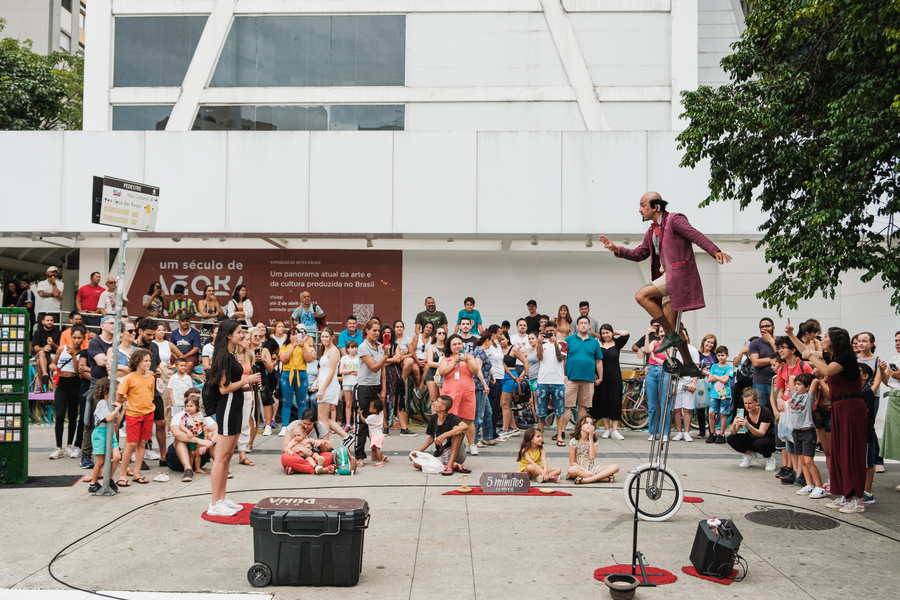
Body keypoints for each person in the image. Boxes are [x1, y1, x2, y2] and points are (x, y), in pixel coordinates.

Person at [599, 193, 732, 377]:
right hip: (668, 279)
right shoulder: (651, 231)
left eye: (642, 205)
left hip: (678, 276)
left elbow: (695, 235)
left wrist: (714, 250)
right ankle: (689, 364)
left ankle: (670, 334)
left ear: (655, 207)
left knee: (641, 296)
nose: (639, 210)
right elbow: (639, 253)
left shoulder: (674, 220)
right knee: (673, 328)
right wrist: (617, 249)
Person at [786, 321, 867, 514]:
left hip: (851, 407)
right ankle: (846, 494)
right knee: (839, 452)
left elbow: (827, 370)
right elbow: (806, 352)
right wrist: (791, 335)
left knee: (851, 451)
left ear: (835, 340)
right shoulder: (833, 356)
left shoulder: (846, 357)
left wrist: (810, 357)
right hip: (839, 407)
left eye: (826, 336)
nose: (822, 338)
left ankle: (858, 500)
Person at [206, 319, 260, 516]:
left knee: (228, 456)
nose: (241, 335)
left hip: (235, 405)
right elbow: (224, 388)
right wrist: (247, 380)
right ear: (228, 335)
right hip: (227, 407)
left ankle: (222, 497)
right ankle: (215, 502)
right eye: (238, 332)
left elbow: (233, 387)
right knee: (221, 457)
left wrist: (248, 385)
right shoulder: (223, 357)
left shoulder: (230, 356)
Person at [773, 336, 813, 482]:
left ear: (793, 350)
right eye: (779, 348)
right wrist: (779, 400)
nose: (780, 351)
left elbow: (810, 389)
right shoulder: (782, 369)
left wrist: (790, 401)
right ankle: (795, 472)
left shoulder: (804, 366)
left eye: (783, 347)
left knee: (799, 443)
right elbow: (780, 390)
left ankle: (803, 474)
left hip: (801, 410)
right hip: (787, 410)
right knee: (789, 442)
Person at [115, 348, 156, 486]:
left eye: (149, 360)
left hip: (148, 413)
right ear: (137, 362)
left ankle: (137, 473)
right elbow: (119, 396)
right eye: (145, 361)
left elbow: (150, 395)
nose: (148, 363)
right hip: (133, 414)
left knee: (142, 443)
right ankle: (122, 474)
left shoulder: (151, 378)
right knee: (131, 443)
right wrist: (129, 402)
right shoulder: (129, 378)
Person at [49, 324, 86, 459]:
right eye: (74, 337)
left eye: (79, 338)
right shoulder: (61, 349)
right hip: (62, 384)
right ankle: (58, 447)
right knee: (59, 414)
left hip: (75, 384)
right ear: (70, 337)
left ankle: (69, 445)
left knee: (72, 415)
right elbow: (54, 363)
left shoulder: (83, 353)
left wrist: (73, 355)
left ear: (83, 338)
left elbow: (77, 372)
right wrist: (52, 365)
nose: (76, 340)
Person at [439, 333, 479, 453]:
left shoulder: (469, 357)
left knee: (468, 419)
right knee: (450, 419)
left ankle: (472, 444)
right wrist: (453, 363)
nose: (457, 346)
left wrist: (466, 361)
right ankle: (449, 444)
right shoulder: (446, 359)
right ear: (450, 346)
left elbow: (475, 371)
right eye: (454, 344)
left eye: (459, 343)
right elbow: (442, 372)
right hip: (450, 394)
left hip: (467, 393)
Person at [789, 373, 827, 499]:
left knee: (808, 461)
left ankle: (819, 487)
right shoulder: (795, 395)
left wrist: (814, 375)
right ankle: (809, 484)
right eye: (796, 384)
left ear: (807, 387)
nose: (796, 386)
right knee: (802, 460)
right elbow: (791, 378)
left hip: (807, 432)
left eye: (799, 384)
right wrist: (798, 380)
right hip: (796, 432)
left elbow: (815, 381)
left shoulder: (809, 396)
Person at [410, 395, 468, 475]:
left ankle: (450, 464)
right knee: (417, 464)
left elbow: (465, 426)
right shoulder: (434, 418)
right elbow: (431, 438)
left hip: (456, 455)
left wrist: (444, 435)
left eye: (437, 401)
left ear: (443, 407)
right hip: (441, 455)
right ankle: (453, 466)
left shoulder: (452, 418)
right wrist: (418, 452)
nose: (434, 403)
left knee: (457, 429)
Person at [311, 327, 352, 441]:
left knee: (323, 417)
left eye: (327, 337)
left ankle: (325, 442)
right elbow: (323, 370)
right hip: (324, 385)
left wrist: (322, 389)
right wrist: (316, 382)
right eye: (322, 337)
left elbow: (332, 372)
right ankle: (345, 437)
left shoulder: (333, 350)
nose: (324, 339)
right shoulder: (325, 350)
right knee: (322, 417)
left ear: (332, 337)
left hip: (329, 386)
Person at [355, 320, 387, 462]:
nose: (377, 333)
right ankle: (359, 455)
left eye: (378, 330)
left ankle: (375, 452)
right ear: (366, 331)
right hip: (364, 387)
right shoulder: (363, 347)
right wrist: (386, 356)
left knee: (376, 423)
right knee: (362, 423)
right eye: (374, 330)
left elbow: (383, 369)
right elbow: (374, 367)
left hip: (376, 386)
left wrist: (384, 389)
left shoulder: (380, 346)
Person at [167, 391, 215, 480]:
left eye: (197, 399)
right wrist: (199, 441)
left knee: (211, 434)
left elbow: (216, 430)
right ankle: (188, 469)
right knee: (180, 439)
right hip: (177, 457)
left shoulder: (202, 416)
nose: (196, 400)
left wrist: (208, 441)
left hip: (199, 453)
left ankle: (219, 465)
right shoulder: (180, 416)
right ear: (185, 400)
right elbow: (177, 433)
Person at [593, 324, 630, 439]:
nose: (605, 335)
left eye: (607, 333)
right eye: (603, 333)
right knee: (603, 401)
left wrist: (614, 333)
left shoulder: (617, 343)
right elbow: (594, 360)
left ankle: (615, 430)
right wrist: (595, 374)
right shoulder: (597, 344)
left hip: (615, 377)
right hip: (601, 377)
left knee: (615, 402)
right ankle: (606, 429)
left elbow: (626, 333)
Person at [564, 315, 604, 424]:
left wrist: (600, 377)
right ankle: (561, 431)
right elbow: (562, 358)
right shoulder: (568, 340)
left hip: (588, 379)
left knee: (583, 406)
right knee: (567, 406)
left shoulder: (595, 342)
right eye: (581, 323)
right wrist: (563, 374)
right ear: (577, 326)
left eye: (585, 323)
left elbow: (598, 361)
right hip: (571, 378)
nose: (583, 325)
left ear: (589, 326)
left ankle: (579, 431)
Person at [727, 388, 777, 470]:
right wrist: (734, 424)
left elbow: (761, 434)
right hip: (752, 437)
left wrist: (748, 425)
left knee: (760, 443)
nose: (747, 406)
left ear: (757, 402)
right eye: (745, 403)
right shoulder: (744, 411)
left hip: (768, 438)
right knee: (730, 439)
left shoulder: (765, 413)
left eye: (750, 403)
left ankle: (769, 458)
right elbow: (733, 433)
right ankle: (749, 455)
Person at [86, 378, 121, 493]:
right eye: (116, 389)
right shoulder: (102, 403)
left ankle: (109, 478)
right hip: (100, 433)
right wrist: (118, 408)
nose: (118, 392)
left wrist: (123, 409)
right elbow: (109, 418)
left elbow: (117, 421)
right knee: (100, 461)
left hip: (110, 433)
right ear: (107, 390)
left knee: (117, 457)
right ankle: (93, 483)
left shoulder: (112, 404)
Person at [536, 320, 567, 447]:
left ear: (556, 330)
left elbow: (560, 359)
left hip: (557, 381)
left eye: (551, 331)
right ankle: (540, 436)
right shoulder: (542, 343)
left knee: (560, 410)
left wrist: (555, 345)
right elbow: (540, 358)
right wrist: (539, 343)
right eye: (547, 331)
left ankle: (559, 435)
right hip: (543, 380)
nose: (549, 333)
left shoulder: (563, 344)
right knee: (541, 411)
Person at [567, 416, 619, 484]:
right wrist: (585, 470)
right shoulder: (574, 441)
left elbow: (592, 457)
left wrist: (591, 438)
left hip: (592, 468)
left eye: (591, 424)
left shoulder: (594, 441)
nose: (589, 425)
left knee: (615, 467)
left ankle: (588, 479)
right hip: (579, 469)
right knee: (571, 470)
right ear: (580, 426)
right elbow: (572, 462)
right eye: (586, 423)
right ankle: (601, 478)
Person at [497, 330, 528, 439]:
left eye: (503, 339)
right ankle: (514, 427)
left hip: (511, 377)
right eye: (499, 340)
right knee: (503, 404)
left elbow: (525, 362)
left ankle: (505, 429)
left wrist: (524, 375)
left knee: (505, 404)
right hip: (501, 376)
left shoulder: (514, 349)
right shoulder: (498, 349)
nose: (501, 341)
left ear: (508, 339)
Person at [748, 318, 778, 410]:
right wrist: (774, 360)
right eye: (762, 327)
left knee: (777, 410)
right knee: (760, 410)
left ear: (773, 327)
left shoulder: (780, 341)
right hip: (761, 382)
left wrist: (771, 341)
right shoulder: (755, 343)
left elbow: (783, 357)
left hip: (778, 380)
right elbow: (756, 363)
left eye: (767, 326)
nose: (764, 328)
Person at [707, 346, 733, 444]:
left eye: (722, 355)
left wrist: (715, 376)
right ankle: (712, 433)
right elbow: (710, 379)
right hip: (714, 394)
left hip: (725, 394)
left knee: (723, 414)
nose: (720, 357)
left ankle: (722, 434)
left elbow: (726, 380)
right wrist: (720, 377)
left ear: (727, 355)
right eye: (718, 355)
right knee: (711, 413)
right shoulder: (714, 366)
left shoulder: (729, 367)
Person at [473, 331, 495, 449]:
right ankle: (475, 439)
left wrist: (490, 375)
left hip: (482, 386)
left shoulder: (481, 351)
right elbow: (477, 369)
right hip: (479, 387)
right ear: (487, 341)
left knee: (488, 412)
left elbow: (483, 367)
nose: (491, 343)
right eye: (491, 341)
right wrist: (485, 385)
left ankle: (488, 437)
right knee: (479, 414)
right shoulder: (480, 351)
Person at [694, 334, 718, 437]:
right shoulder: (697, 354)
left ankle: (712, 431)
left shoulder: (715, 356)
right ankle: (702, 431)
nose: (710, 344)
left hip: (712, 383)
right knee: (700, 408)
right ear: (703, 342)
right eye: (708, 342)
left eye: (712, 343)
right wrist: (709, 373)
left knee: (711, 408)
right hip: (700, 383)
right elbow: (696, 368)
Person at [32, 313, 59, 391]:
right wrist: (44, 348)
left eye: (51, 320)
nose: (50, 322)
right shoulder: (38, 332)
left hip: (53, 355)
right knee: (41, 352)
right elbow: (36, 348)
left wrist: (52, 344)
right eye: (47, 320)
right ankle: (45, 374)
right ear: (43, 322)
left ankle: (41, 386)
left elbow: (59, 349)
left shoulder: (58, 332)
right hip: (40, 354)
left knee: (38, 362)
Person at [339, 340, 360, 431]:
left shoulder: (359, 358)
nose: (354, 349)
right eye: (352, 347)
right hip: (347, 383)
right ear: (347, 349)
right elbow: (341, 371)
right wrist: (353, 370)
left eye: (355, 347)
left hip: (356, 383)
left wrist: (347, 371)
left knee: (355, 404)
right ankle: (348, 424)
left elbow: (360, 372)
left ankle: (355, 424)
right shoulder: (344, 358)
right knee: (348, 404)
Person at [410, 321, 434, 392]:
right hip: (415, 358)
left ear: (432, 330)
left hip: (425, 359)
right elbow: (412, 351)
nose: (428, 329)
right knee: (416, 370)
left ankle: (420, 389)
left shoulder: (432, 340)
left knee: (427, 369)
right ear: (423, 328)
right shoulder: (417, 337)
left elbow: (431, 352)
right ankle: (418, 387)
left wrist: (425, 360)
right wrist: (418, 362)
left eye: (430, 328)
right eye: (427, 327)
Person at [425, 326, 446, 403]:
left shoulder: (448, 347)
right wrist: (444, 365)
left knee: (443, 400)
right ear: (435, 335)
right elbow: (430, 363)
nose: (442, 334)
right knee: (434, 400)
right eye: (439, 333)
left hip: (444, 374)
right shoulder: (431, 347)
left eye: (443, 333)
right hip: (432, 374)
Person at [363, 399, 387, 466]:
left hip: (376, 435)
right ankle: (382, 457)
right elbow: (382, 408)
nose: (369, 408)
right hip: (379, 434)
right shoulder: (381, 413)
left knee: (377, 449)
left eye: (370, 407)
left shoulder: (372, 417)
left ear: (375, 410)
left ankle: (380, 462)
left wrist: (360, 414)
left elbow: (364, 421)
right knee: (374, 448)